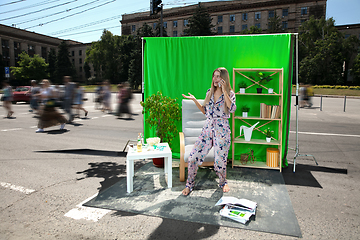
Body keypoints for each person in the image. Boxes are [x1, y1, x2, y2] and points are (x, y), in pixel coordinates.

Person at [181, 67, 236, 196]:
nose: (215, 79)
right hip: (208, 128)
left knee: (219, 161)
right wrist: (195, 100)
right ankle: (189, 185)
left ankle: (223, 182)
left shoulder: (230, 94)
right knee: (193, 157)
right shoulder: (209, 92)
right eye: (214, 76)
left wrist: (224, 91)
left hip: (222, 129)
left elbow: (232, 109)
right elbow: (205, 112)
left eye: (218, 76)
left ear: (224, 78)